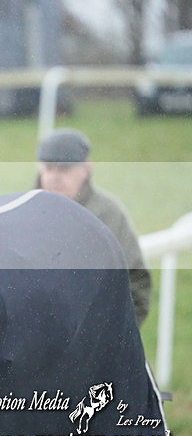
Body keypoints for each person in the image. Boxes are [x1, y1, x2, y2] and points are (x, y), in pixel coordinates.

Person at [36, 128, 152, 326]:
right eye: (48, 168)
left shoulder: (109, 216)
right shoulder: (24, 211)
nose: (55, 176)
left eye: (64, 169)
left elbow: (136, 285)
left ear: (87, 169)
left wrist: (104, 334)